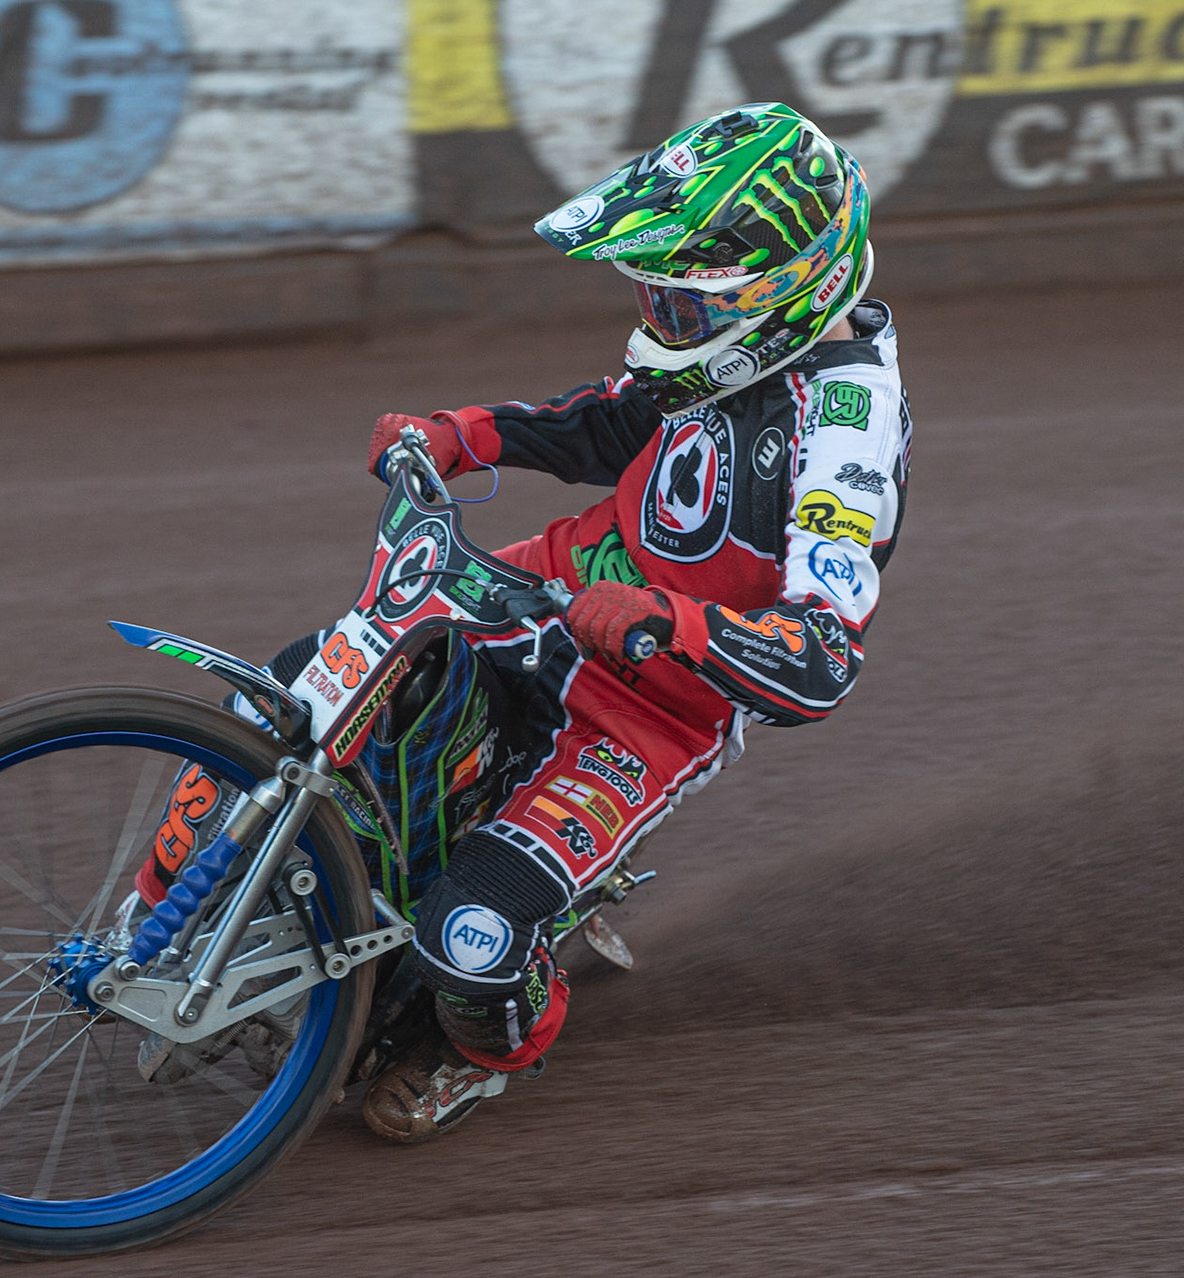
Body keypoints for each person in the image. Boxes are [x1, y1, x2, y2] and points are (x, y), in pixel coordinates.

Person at [133, 102, 911, 1142]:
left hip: (644, 713)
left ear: (776, 295)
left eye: (680, 303)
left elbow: (823, 660)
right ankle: (157, 918)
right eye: (655, 296)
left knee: (472, 936)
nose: (658, 320)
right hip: (526, 596)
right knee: (277, 700)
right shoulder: (731, 351)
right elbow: (613, 418)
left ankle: (482, 1049)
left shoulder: (845, 440)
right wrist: (464, 434)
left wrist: (668, 624)